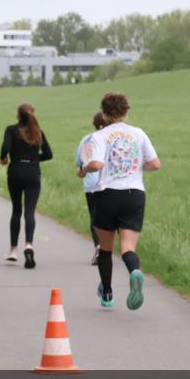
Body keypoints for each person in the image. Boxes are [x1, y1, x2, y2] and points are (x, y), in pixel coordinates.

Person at [82, 92, 161, 310]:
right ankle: (134, 270)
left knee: (106, 249)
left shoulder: (99, 136)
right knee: (127, 247)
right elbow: (155, 164)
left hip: (108, 194)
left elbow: (96, 165)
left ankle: (107, 294)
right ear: (126, 111)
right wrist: (137, 168)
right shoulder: (138, 133)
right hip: (134, 194)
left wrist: (84, 169)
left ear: (104, 113)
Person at [0, 103, 53, 268]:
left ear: (18, 115)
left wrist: (5, 158)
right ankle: (29, 244)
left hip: (15, 172)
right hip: (32, 174)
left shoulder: (11, 130)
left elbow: (5, 149)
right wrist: (34, 159)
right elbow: (49, 154)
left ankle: (13, 250)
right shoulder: (38, 132)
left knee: (16, 210)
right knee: (30, 211)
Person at [76, 112, 109, 265]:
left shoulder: (87, 139)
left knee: (95, 218)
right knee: (111, 217)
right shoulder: (112, 137)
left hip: (91, 184)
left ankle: (98, 248)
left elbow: (80, 163)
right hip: (110, 183)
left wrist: (82, 170)